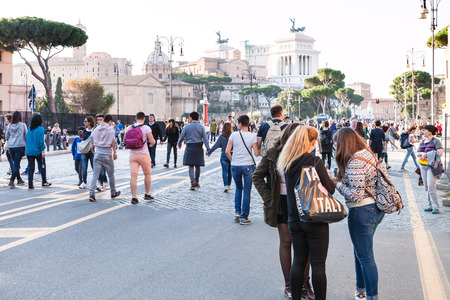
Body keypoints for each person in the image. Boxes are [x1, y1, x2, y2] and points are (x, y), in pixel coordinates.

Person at [253, 123, 315, 300]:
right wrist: (269, 198)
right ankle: (289, 283)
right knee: (286, 242)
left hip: (303, 202)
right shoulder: (273, 153)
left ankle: (305, 284)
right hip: (281, 202)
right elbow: (257, 176)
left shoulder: (304, 153)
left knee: (304, 245)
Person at [277, 126, 335, 300]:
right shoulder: (315, 161)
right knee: (318, 264)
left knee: (299, 260)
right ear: (310, 142)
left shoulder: (287, 162)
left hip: (294, 218)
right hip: (314, 217)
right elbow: (330, 189)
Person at [333, 127, 385, 300]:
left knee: (366, 257)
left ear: (343, 143)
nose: (335, 146)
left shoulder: (355, 161)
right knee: (360, 252)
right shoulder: (367, 153)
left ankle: (371, 296)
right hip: (374, 208)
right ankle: (361, 290)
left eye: (336, 143)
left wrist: (336, 183)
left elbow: (356, 194)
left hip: (362, 210)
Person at [225, 115, 260, 225]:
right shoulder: (252, 136)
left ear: (240, 124)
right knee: (247, 190)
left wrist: (233, 160)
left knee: (238, 188)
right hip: (248, 166)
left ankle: (237, 212)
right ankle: (244, 217)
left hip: (235, 165)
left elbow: (227, 151)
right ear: (248, 124)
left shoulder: (233, 135)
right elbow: (257, 153)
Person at [125, 112, 156, 204]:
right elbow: (152, 141)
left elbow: (124, 141)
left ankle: (134, 197)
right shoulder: (146, 128)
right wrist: (151, 144)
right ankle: (147, 194)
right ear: (144, 119)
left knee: (133, 175)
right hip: (143, 154)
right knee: (147, 174)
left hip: (132, 155)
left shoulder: (129, 128)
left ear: (135, 118)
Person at [88, 114, 121, 202]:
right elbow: (113, 142)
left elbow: (92, 137)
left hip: (97, 153)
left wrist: (93, 145)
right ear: (110, 121)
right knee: (111, 174)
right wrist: (115, 152)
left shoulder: (97, 128)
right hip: (107, 153)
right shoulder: (111, 129)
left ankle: (92, 194)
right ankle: (113, 192)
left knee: (95, 174)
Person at [178, 111, 210, 190]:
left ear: (191, 118)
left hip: (190, 146)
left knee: (191, 165)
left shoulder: (187, 127)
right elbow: (205, 139)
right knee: (198, 165)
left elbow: (181, 137)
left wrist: (179, 143)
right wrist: (208, 149)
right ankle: (197, 181)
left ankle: (193, 183)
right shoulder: (201, 127)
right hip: (198, 146)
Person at [417, 125, 443, 214]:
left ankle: (436, 207)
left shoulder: (436, 141)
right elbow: (418, 152)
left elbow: (440, 153)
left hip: (432, 166)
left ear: (430, 132)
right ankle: (430, 205)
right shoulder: (423, 141)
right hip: (423, 165)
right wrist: (421, 154)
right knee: (427, 187)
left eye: (425, 130)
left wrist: (427, 154)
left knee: (431, 186)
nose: (423, 132)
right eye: (423, 130)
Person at [26, 113, 51, 189]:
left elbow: (27, 139)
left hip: (29, 151)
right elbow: (41, 141)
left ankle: (30, 184)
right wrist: (43, 151)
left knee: (31, 168)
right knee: (42, 166)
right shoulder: (41, 129)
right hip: (38, 151)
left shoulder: (29, 128)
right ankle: (44, 181)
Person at [207, 122, 233, 192]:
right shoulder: (233, 136)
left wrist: (209, 152)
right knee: (230, 171)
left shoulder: (221, 137)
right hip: (231, 155)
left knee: (224, 171)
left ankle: (226, 185)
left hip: (224, 155)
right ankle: (230, 185)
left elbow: (215, 146)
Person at [5, 111, 27, 188]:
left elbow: (6, 137)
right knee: (16, 164)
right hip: (20, 146)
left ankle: (19, 179)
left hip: (11, 147)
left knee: (15, 164)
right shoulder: (23, 125)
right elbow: (26, 136)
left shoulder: (10, 126)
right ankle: (11, 181)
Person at [80, 116, 96, 189]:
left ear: (89, 122)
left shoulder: (95, 130)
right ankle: (84, 182)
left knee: (94, 167)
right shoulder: (85, 130)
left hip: (92, 152)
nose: (84, 122)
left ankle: (96, 181)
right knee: (84, 168)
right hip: (84, 152)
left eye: (85, 121)